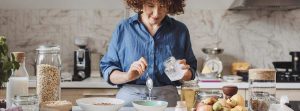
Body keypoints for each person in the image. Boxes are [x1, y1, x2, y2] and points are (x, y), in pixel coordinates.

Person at [100, 0, 197, 107]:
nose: (156, 13)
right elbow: (107, 69)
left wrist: (184, 73)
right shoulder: (123, 28)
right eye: (150, 6)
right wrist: (128, 76)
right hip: (128, 101)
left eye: (162, 6)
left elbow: (191, 71)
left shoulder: (180, 30)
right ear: (139, 3)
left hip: (168, 101)